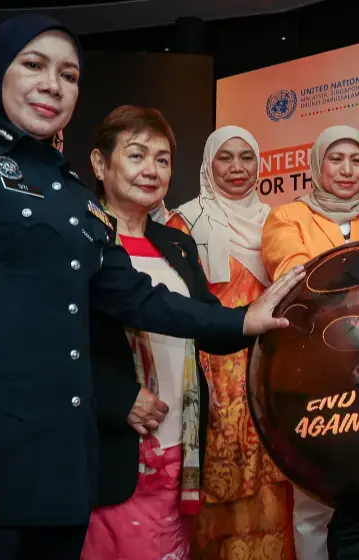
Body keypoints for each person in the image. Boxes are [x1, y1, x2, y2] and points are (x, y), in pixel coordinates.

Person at [0, 15, 303, 560]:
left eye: (68, 74)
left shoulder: (72, 197)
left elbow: (137, 296)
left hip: (52, 484)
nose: (52, 84)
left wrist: (242, 320)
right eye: (33, 65)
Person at [79, 106, 254, 559]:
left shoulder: (176, 242)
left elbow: (209, 326)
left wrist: (264, 318)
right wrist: (116, 399)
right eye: (137, 156)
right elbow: (54, 342)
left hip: (180, 444)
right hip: (111, 446)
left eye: (162, 159)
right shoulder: (80, 239)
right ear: (100, 163)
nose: (152, 171)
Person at [260, 125, 359, 559]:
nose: (347, 170)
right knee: (315, 498)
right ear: (317, 165)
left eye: (357, 160)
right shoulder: (287, 217)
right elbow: (297, 273)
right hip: (312, 372)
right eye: (336, 159)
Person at [170, 126, 296, 559]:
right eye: (226, 157)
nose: (238, 167)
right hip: (211, 368)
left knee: (274, 478)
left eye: (247, 157)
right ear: (208, 164)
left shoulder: (278, 221)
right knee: (216, 481)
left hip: (268, 366)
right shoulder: (184, 221)